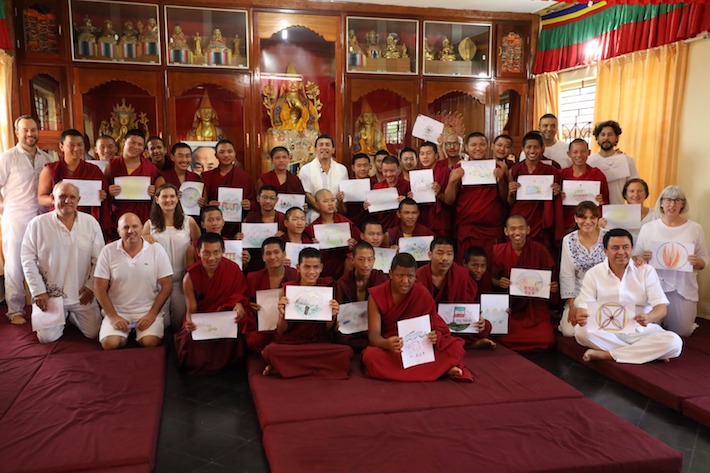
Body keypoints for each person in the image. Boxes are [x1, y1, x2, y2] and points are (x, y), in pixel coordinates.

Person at [573, 229, 683, 364]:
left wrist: (649, 317)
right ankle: (648, 353)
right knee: (580, 332)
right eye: (615, 248)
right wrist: (581, 313)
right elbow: (584, 305)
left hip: (640, 330)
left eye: (626, 247)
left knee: (674, 342)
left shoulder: (646, 271)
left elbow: (661, 308)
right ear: (605, 251)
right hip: (606, 329)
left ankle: (608, 355)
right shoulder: (593, 273)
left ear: (632, 249)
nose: (621, 252)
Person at [361, 253, 473, 382]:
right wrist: (386, 344)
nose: (405, 281)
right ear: (390, 274)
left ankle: (437, 369)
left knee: (455, 347)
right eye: (400, 276)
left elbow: (437, 326)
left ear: (416, 276)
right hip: (393, 348)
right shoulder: (376, 295)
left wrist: (436, 335)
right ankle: (441, 370)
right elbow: (374, 335)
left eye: (410, 276)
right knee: (371, 356)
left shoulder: (421, 293)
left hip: (419, 349)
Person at [21, 182, 104, 343]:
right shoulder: (37, 224)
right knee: (46, 338)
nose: (67, 201)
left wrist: (91, 286)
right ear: (52, 198)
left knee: (93, 333)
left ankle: (71, 316)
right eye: (62, 196)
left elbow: (100, 259)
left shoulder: (90, 222)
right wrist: (38, 291)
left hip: (81, 294)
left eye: (72, 197)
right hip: (50, 295)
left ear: (78, 200)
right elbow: (27, 259)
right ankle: (62, 315)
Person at [262, 247, 353, 379]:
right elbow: (281, 331)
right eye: (306, 267)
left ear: (321, 267)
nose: (311, 272)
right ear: (298, 267)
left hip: (318, 344)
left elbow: (328, 330)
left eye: (316, 267)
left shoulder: (328, 289)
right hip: (292, 344)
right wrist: (282, 314)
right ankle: (312, 367)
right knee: (270, 351)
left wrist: (332, 316)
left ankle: (284, 367)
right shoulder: (287, 290)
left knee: (345, 352)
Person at [0, 115, 54, 324]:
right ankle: (15, 310)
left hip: (43, 215)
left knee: (43, 262)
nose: (30, 134)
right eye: (26, 130)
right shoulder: (7, 157)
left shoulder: (46, 158)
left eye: (33, 130)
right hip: (17, 217)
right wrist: (5, 209)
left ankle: (43, 305)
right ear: (17, 132)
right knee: (15, 263)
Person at [635, 186, 708, 337]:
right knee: (646, 330)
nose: (672, 204)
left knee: (683, 332)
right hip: (653, 287)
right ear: (661, 203)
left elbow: (705, 260)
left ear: (683, 204)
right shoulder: (648, 228)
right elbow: (636, 257)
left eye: (677, 200)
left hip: (682, 288)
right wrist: (643, 258)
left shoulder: (695, 228)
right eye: (668, 200)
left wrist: (697, 261)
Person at [174, 232, 251, 375]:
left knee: (239, 324)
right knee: (188, 340)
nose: (211, 258)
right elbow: (191, 310)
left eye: (216, 252)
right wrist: (190, 323)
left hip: (224, 315)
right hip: (202, 316)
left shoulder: (233, 269)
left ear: (223, 251)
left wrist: (238, 305)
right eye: (206, 253)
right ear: (198, 252)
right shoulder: (190, 277)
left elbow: (239, 295)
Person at [94, 212, 173, 350]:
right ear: (118, 231)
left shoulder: (156, 249)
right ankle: (122, 335)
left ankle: (137, 333)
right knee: (109, 344)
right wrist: (113, 317)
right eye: (125, 227)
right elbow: (99, 288)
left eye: (135, 226)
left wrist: (152, 315)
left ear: (142, 227)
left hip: (147, 310)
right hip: (118, 310)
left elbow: (167, 285)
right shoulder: (108, 251)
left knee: (150, 343)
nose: (131, 231)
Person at [492, 215, 558, 351]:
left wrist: (552, 287)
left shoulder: (539, 250)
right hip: (511, 306)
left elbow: (552, 281)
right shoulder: (498, 251)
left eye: (521, 228)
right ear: (506, 231)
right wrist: (499, 282)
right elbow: (491, 279)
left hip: (534, 307)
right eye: (513, 229)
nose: (517, 233)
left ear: (528, 230)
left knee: (547, 339)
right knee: (503, 336)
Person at [143, 184, 201, 331]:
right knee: (162, 323)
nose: (168, 200)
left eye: (172, 196)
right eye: (164, 196)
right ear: (157, 199)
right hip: (158, 282)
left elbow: (199, 249)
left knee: (179, 322)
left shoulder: (189, 222)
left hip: (182, 281)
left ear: (177, 199)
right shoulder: (149, 225)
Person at [416, 237, 493, 348]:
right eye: (440, 253)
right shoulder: (419, 275)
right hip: (429, 325)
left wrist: (478, 320)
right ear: (430, 254)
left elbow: (467, 305)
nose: (445, 258)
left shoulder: (461, 274)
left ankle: (458, 342)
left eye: (449, 254)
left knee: (484, 326)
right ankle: (463, 344)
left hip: (452, 324)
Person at [445, 132, 508, 263]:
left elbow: (505, 199)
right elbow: (449, 201)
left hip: (491, 229)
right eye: (473, 145)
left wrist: (501, 179)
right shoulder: (459, 168)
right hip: (468, 229)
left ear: (488, 147)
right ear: (466, 148)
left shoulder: (497, 168)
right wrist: (452, 181)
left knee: (490, 267)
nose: (478, 148)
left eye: (482, 145)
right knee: (466, 268)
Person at [37, 128, 109, 231]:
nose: (76, 149)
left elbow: (105, 197)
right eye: (71, 145)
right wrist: (56, 199)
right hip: (59, 220)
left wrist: (102, 195)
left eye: (80, 145)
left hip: (86, 221)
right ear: (61, 147)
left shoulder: (93, 170)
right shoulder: (50, 170)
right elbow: (41, 198)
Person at [507, 132, 564, 256]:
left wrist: (556, 192)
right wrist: (511, 192)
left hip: (541, 220)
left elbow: (557, 199)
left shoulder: (552, 171)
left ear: (542, 149)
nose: (532, 150)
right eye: (528, 147)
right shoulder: (515, 170)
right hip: (520, 216)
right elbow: (509, 202)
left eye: (536, 147)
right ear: (523, 149)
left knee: (540, 255)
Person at [559, 202, 607, 337]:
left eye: (592, 217)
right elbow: (566, 274)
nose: (588, 221)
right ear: (575, 218)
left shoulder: (608, 237)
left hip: (605, 292)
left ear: (598, 218)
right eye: (583, 218)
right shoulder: (568, 240)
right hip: (581, 293)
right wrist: (573, 306)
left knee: (604, 327)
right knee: (569, 331)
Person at [245, 237, 299, 353]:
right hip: (265, 329)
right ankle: (274, 355)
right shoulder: (253, 278)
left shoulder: (295, 275)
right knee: (252, 340)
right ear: (263, 257)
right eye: (268, 253)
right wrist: (250, 306)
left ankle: (271, 356)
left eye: (276, 252)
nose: (273, 257)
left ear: (284, 254)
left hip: (289, 328)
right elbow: (245, 301)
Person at [105, 128, 161, 235]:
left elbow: (159, 194)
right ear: (123, 142)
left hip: (143, 216)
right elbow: (102, 193)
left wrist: (153, 192)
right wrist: (109, 191)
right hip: (119, 216)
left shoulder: (150, 168)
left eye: (139, 144)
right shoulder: (111, 166)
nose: (135, 147)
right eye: (132, 143)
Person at [335, 241, 389, 351]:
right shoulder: (343, 283)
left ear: (374, 260)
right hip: (351, 328)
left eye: (370, 260)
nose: (366, 264)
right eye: (361, 259)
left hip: (373, 326)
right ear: (352, 260)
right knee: (341, 339)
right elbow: (340, 313)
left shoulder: (381, 279)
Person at [201, 139, 257, 238]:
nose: (226, 155)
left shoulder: (245, 177)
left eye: (230, 151)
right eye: (222, 152)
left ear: (235, 154)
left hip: (237, 227)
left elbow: (255, 202)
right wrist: (208, 204)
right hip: (213, 225)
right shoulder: (207, 176)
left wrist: (250, 204)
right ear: (216, 155)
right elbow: (202, 203)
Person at [304, 189, 359, 280]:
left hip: (342, 264)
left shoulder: (345, 222)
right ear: (317, 204)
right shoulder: (312, 228)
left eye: (332, 200)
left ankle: (343, 285)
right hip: (323, 265)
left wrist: (354, 245)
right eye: (325, 201)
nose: (330, 204)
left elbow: (360, 244)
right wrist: (314, 247)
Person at [559, 139, 609, 230]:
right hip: (567, 223)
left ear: (589, 152)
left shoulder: (597, 174)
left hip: (590, 224)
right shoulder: (561, 174)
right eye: (575, 152)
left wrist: (601, 200)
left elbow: (605, 202)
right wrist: (559, 198)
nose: (579, 155)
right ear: (569, 154)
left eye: (583, 152)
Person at [298, 135, 349, 223]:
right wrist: (323, 209)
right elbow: (307, 193)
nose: (324, 147)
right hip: (315, 213)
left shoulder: (342, 169)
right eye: (321, 145)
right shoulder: (306, 169)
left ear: (333, 149)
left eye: (327, 145)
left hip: (336, 212)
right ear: (315, 149)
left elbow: (344, 194)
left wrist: (333, 207)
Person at [588, 120, 640, 204]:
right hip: (594, 211)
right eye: (603, 134)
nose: (606, 138)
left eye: (610, 134)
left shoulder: (627, 160)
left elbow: (635, 187)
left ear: (616, 138)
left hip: (618, 208)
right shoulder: (589, 162)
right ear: (597, 137)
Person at [241, 184, 286, 273]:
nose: (268, 201)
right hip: (255, 262)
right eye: (264, 197)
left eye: (272, 198)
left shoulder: (283, 218)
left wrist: (284, 236)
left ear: (277, 200)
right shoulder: (251, 218)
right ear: (258, 198)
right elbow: (245, 244)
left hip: (277, 262)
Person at [600, 178, 658, 243]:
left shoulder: (656, 214)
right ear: (625, 195)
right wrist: (600, 227)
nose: (636, 195)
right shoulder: (614, 214)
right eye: (632, 191)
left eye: (640, 191)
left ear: (646, 194)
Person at [366, 155, 410, 232]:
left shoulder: (407, 185)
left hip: (402, 227)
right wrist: (368, 207)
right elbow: (374, 214)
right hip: (382, 227)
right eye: (385, 171)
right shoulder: (377, 187)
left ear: (398, 169)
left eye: (392, 171)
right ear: (381, 170)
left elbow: (413, 207)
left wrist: (406, 202)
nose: (389, 174)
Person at [416, 142, 452, 237]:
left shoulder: (444, 171)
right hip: (423, 216)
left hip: (440, 218)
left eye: (428, 153)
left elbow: (451, 198)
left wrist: (439, 192)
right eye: (422, 154)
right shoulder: (418, 174)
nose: (425, 157)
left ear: (436, 155)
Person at [337, 153, 373, 229]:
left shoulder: (375, 184)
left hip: (371, 223)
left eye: (365, 165)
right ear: (353, 167)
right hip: (352, 223)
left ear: (370, 166)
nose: (362, 168)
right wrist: (340, 202)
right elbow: (344, 212)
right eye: (359, 166)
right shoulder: (347, 185)